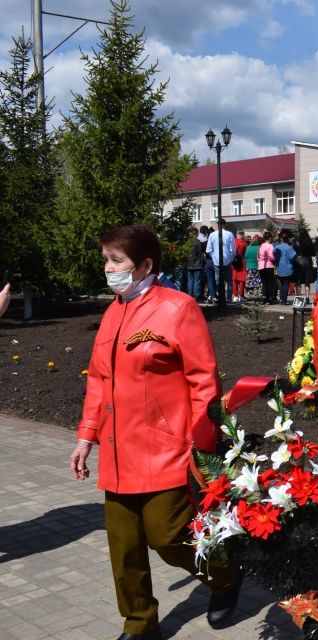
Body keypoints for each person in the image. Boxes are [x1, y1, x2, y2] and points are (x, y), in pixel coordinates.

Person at [69, 224, 242, 640]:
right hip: (116, 451)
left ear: (145, 264)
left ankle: (225, 576)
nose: (108, 269)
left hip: (168, 449)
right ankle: (140, 622)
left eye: (117, 261)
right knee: (124, 546)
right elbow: (98, 380)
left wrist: (202, 448)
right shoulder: (113, 311)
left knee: (167, 536)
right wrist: (86, 436)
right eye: (106, 260)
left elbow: (204, 384)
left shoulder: (179, 308)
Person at [205, 219, 236, 303]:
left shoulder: (212, 235)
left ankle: (219, 296)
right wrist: (230, 259)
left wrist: (214, 257)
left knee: (218, 280)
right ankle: (229, 298)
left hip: (216, 261)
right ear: (224, 225)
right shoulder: (229, 234)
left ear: (217, 224)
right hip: (227, 260)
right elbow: (233, 250)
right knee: (229, 280)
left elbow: (208, 250)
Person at [273, 230, 297, 305]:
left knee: (281, 285)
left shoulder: (276, 247)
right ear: (287, 239)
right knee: (286, 285)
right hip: (287, 268)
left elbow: (273, 257)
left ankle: (281, 299)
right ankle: (284, 300)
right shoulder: (289, 248)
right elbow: (293, 257)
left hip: (278, 268)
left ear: (281, 239)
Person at [294, 228, 315, 295]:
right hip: (308, 260)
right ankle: (307, 297)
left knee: (298, 281)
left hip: (298, 261)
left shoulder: (297, 241)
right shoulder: (309, 241)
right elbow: (313, 252)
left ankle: (298, 297)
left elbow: (294, 250)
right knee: (307, 281)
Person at [186, 227, 205, 302]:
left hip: (189, 264)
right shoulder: (198, 243)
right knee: (197, 281)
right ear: (196, 234)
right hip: (197, 265)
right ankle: (196, 296)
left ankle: (190, 295)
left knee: (190, 281)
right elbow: (200, 254)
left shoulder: (188, 243)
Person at [257, 231, 277, 303]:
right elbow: (271, 257)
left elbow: (258, 256)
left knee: (264, 283)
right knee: (270, 283)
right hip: (269, 265)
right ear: (269, 238)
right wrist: (275, 259)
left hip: (261, 266)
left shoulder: (261, 246)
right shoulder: (270, 246)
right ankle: (269, 298)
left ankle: (264, 298)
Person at [232, 230, 248, 302]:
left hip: (234, 262)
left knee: (234, 279)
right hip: (241, 261)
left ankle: (235, 295)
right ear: (243, 235)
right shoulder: (244, 243)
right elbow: (246, 254)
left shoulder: (233, 242)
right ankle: (241, 295)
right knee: (242, 279)